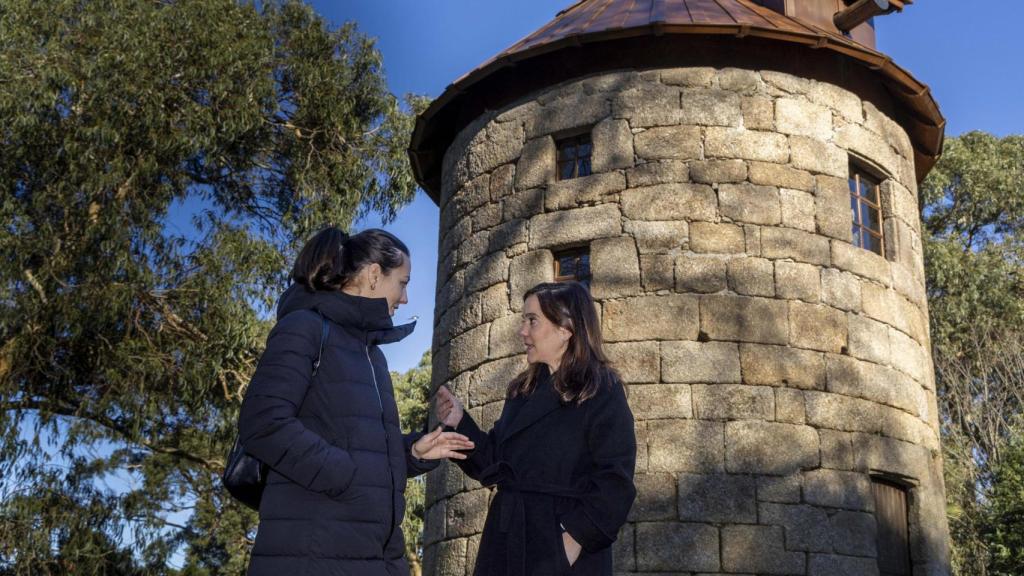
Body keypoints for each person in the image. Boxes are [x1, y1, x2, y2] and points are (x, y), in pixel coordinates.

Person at [239, 227, 474, 576]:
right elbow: (263, 423)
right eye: (403, 282)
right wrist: (344, 474)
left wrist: (411, 453)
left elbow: (357, 444)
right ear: (375, 274)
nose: (405, 297)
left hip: (373, 555)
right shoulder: (304, 328)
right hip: (312, 554)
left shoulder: (371, 355)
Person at [435, 281, 637, 576]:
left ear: (566, 329)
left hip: (560, 546)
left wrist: (574, 539)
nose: (522, 331)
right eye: (523, 320)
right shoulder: (522, 390)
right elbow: (495, 462)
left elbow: (615, 479)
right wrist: (459, 422)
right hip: (505, 540)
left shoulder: (601, 389)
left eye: (532, 320)